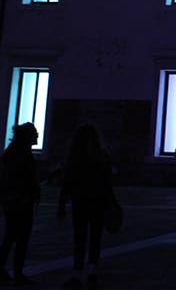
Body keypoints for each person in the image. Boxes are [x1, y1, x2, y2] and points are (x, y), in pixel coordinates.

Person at [57, 123, 115, 289]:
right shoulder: (103, 157)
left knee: (79, 237)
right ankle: (91, 271)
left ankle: (77, 271)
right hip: (98, 201)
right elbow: (107, 183)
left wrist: (62, 204)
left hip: (80, 201)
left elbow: (67, 182)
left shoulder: (74, 158)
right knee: (95, 237)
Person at [0, 122, 41, 286]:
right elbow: (24, 179)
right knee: (21, 239)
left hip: (12, 201)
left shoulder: (13, 153)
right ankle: (17, 272)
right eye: (34, 133)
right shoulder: (24, 156)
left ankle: (1, 271)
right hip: (21, 202)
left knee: (10, 237)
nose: (37, 135)